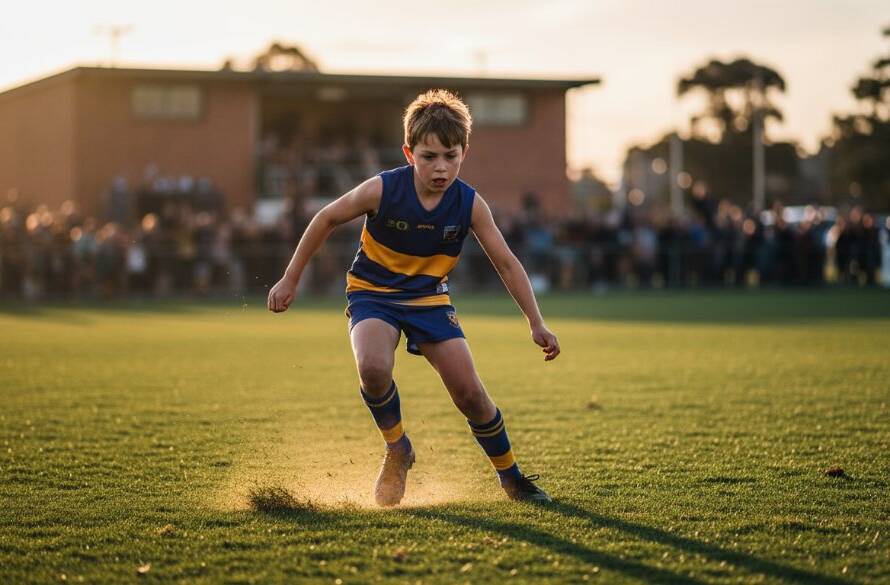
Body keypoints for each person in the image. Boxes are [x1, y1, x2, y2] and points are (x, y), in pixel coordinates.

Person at [267, 89, 561, 506]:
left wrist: (536, 321)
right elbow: (326, 217)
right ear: (409, 153)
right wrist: (290, 278)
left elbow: (508, 263)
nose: (440, 167)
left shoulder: (470, 204)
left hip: (428, 299)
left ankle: (512, 479)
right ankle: (398, 447)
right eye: (428, 157)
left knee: (470, 394)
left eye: (450, 156)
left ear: (464, 153)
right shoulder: (383, 189)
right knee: (372, 366)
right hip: (373, 293)